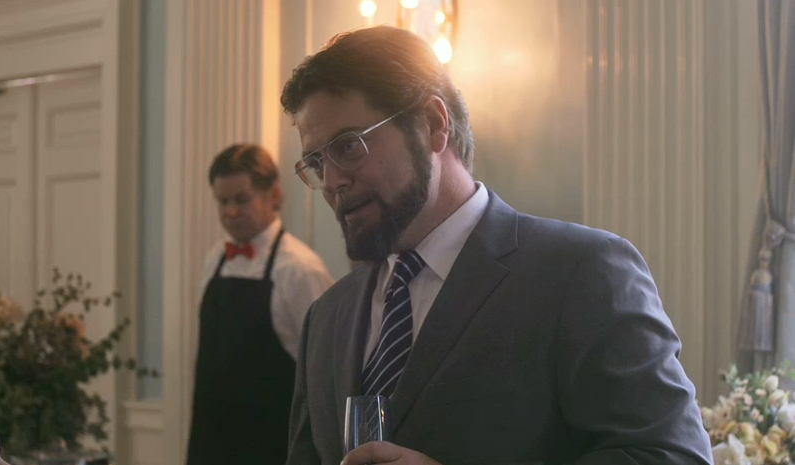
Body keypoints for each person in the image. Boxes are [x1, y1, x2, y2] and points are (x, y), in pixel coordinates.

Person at [280, 26, 713, 465]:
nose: (332, 181)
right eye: (316, 162)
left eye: (348, 147)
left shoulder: (581, 272)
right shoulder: (326, 318)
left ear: (433, 124)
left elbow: (673, 456)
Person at [186, 143, 334, 465]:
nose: (231, 212)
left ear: (274, 196)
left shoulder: (300, 269)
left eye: (242, 199)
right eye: (223, 201)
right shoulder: (215, 258)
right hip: (209, 444)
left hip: (272, 448)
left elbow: (327, 372)